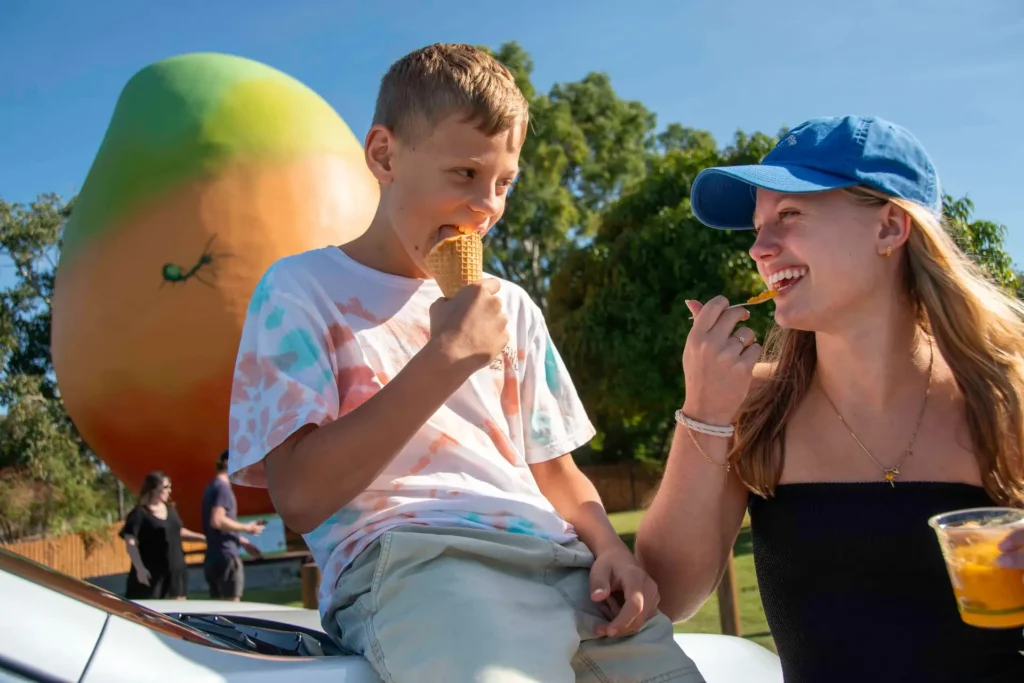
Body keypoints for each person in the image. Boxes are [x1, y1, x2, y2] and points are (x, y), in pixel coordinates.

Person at [226, 43, 702, 683]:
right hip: (416, 564)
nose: (488, 206)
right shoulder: (299, 291)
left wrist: (612, 548)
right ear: (384, 155)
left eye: (504, 182)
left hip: (560, 564)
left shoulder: (511, 306)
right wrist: (446, 357)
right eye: (464, 175)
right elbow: (301, 496)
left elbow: (554, 470)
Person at [636, 115, 1024, 682]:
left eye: (789, 214)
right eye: (757, 225)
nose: (759, 249)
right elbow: (665, 594)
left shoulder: (1004, 395)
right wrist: (704, 414)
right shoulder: (752, 405)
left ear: (889, 228)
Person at [119, 471, 205, 600]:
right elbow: (130, 543)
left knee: (176, 616)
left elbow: (177, 531)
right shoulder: (139, 514)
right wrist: (140, 569)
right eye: (165, 487)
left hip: (176, 575)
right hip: (151, 577)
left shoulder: (171, 509)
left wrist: (204, 538)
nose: (169, 491)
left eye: (170, 487)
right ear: (153, 489)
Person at [201, 450, 264, 601]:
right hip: (226, 556)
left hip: (214, 556)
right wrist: (248, 528)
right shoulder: (222, 488)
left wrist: (243, 542)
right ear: (226, 462)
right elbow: (217, 521)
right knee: (232, 608)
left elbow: (220, 525)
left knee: (219, 610)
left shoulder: (213, 487)